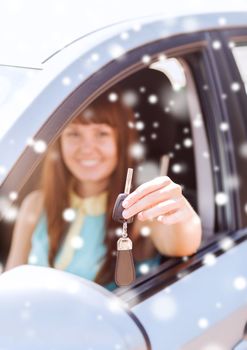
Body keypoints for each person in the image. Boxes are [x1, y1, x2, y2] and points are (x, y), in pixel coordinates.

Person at [5, 91, 202, 290]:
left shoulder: (139, 207)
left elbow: (184, 244)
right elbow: (10, 283)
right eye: (74, 133)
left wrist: (181, 213)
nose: (87, 148)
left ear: (121, 142)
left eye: (101, 133)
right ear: (59, 142)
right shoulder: (36, 204)